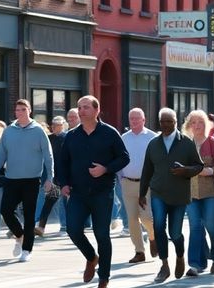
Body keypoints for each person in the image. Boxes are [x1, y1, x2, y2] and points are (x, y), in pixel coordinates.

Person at [57, 95, 130, 288]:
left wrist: (105, 168)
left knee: (102, 235)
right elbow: (62, 163)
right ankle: (91, 257)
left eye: (86, 107)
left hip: (102, 192)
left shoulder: (110, 133)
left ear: (97, 111)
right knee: (73, 230)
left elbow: (124, 158)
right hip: (78, 193)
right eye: (79, 108)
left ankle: (104, 277)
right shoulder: (72, 136)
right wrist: (63, 183)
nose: (81, 111)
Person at [139, 108, 202, 283]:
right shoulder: (153, 144)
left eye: (170, 122)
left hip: (179, 195)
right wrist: (142, 193)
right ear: (159, 123)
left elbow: (199, 166)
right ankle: (164, 265)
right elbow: (147, 170)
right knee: (158, 227)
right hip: (158, 192)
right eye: (163, 122)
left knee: (175, 233)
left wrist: (185, 170)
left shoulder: (186, 143)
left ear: (176, 122)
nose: (166, 125)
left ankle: (180, 256)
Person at [0, 99, 53, 262]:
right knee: (5, 210)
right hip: (12, 178)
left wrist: (50, 178)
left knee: (29, 215)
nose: (19, 112)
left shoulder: (38, 130)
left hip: (32, 180)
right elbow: (1, 153)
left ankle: (27, 250)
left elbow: (48, 156)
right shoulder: (9, 131)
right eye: (17, 110)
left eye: (23, 110)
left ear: (29, 111)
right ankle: (20, 235)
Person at [184, 109, 214, 277]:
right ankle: (195, 264)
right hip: (190, 193)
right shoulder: (185, 144)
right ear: (189, 125)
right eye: (193, 122)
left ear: (206, 124)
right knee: (195, 227)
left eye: (200, 122)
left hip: (211, 192)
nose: (197, 126)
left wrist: (208, 171)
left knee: (210, 224)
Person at [120, 107, 158, 263]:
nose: (134, 121)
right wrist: (120, 175)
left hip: (146, 184)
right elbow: (118, 157)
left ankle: (152, 236)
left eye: (137, 118)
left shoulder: (152, 137)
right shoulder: (123, 138)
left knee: (147, 217)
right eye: (131, 118)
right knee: (132, 219)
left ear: (144, 120)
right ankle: (139, 251)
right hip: (127, 183)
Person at [36, 116, 68, 235]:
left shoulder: (68, 138)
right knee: (50, 201)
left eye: (57, 124)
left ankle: (65, 226)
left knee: (65, 202)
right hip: (53, 176)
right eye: (53, 124)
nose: (54, 127)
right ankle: (41, 227)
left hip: (65, 177)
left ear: (63, 125)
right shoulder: (48, 139)